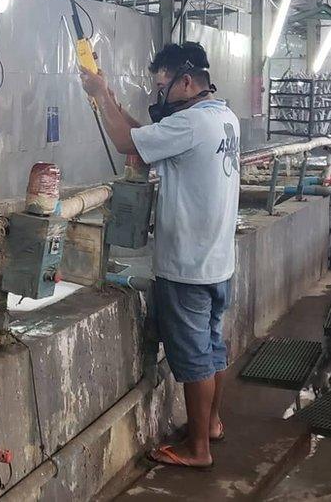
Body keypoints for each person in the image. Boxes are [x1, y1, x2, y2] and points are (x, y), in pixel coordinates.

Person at [80, 42, 240, 469]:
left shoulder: (189, 125)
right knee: (211, 348)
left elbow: (123, 142)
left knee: (193, 360)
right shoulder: (223, 118)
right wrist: (109, 95)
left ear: (186, 81)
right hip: (219, 262)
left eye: (162, 85)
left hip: (187, 265)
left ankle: (197, 449)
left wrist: (97, 95)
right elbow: (142, 140)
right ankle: (212, 425)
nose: (159, 95)